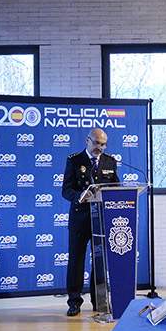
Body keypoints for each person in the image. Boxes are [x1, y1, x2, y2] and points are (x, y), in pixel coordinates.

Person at [61, 127, 119, 316]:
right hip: (80, 218)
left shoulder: (110, 161)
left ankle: (99, 301)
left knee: (100, 262)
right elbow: (66, 190)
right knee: (76, 261)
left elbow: (116, 187)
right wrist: (80, 196)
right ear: (88, 140)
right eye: (96, 143)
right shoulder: (74, 160)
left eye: (103, 144)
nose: (99, 147)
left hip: (100, 219)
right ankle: (74, 302)